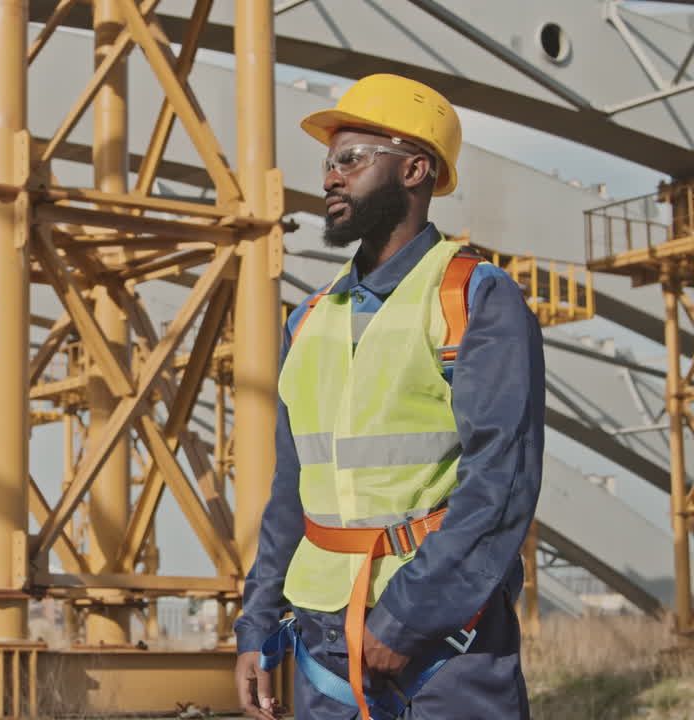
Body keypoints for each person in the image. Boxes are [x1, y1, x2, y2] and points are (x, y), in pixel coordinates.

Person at [232, 74, 544, 720]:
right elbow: (292, 495)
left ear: (415, 170)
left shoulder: (473, 300)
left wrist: (406, 616)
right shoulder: (308, 321)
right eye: (327, 162)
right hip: (323, 652)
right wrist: (258, 622)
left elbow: (501, 485)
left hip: (443, 652)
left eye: (350, 159)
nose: (329, 178)